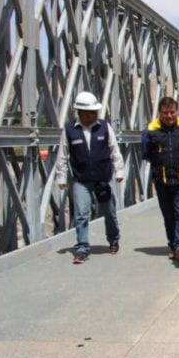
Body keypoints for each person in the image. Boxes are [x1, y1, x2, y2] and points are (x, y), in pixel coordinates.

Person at [56, 91, 124, 264]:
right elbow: (62, 155)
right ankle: (82, 248)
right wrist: (62, 178)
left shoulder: (104, 126)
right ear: (80, 112)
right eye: (90, 113)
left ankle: (113, 239)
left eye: (95, 112)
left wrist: (119, 171)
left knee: (109, 212)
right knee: (81, 213)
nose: (94, 116)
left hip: (103, 179)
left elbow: (114, 151)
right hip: (81, 180)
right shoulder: (70, 130)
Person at [141, 96, 179, 262]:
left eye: (172, 112)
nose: (169, 116)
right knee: (168, 215)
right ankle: (174, 245)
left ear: (177, 112)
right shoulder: (151, 130)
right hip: (162, 180)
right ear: (160, 113)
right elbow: (145, 153)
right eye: (165, 113)